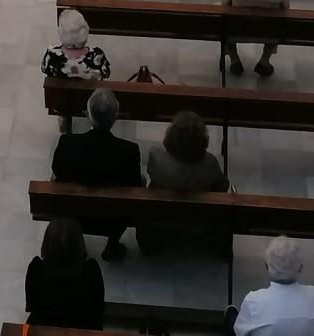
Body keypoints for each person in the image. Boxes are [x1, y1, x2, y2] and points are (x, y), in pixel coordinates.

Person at [52, 87, 142, 260]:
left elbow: (57, 170)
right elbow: (135, 184)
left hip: (74, 214)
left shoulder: (67, 143)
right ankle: (112, 245)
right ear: (115, 116)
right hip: (112, 218)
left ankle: (77, 243)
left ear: (88, 115)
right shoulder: (129, 151)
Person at [139, 110, 228, 255]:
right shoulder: (209, 162)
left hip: (162, 215)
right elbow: (222, 186)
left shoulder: (156, 154)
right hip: (198, 219)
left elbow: (151, 175)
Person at [25, 217, 105, 329]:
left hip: (42, 326)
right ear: (79, 244)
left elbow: (31, 303)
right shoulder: (91, 270)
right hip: (85, 327)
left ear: (46, 243)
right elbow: (99, 306)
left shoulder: (36, 269)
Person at [228, 236, 314, 336]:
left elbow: (239, 333)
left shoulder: (253, 301)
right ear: (300, 268)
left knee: (239, 327)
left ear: (267, 266)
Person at [42, 8, 110, 81]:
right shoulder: (97, 55)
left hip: (57, 89)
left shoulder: (52, 54)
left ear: (61, 32)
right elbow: (106, 74)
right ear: (85, 30)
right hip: (91, 89)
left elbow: (44, 69)